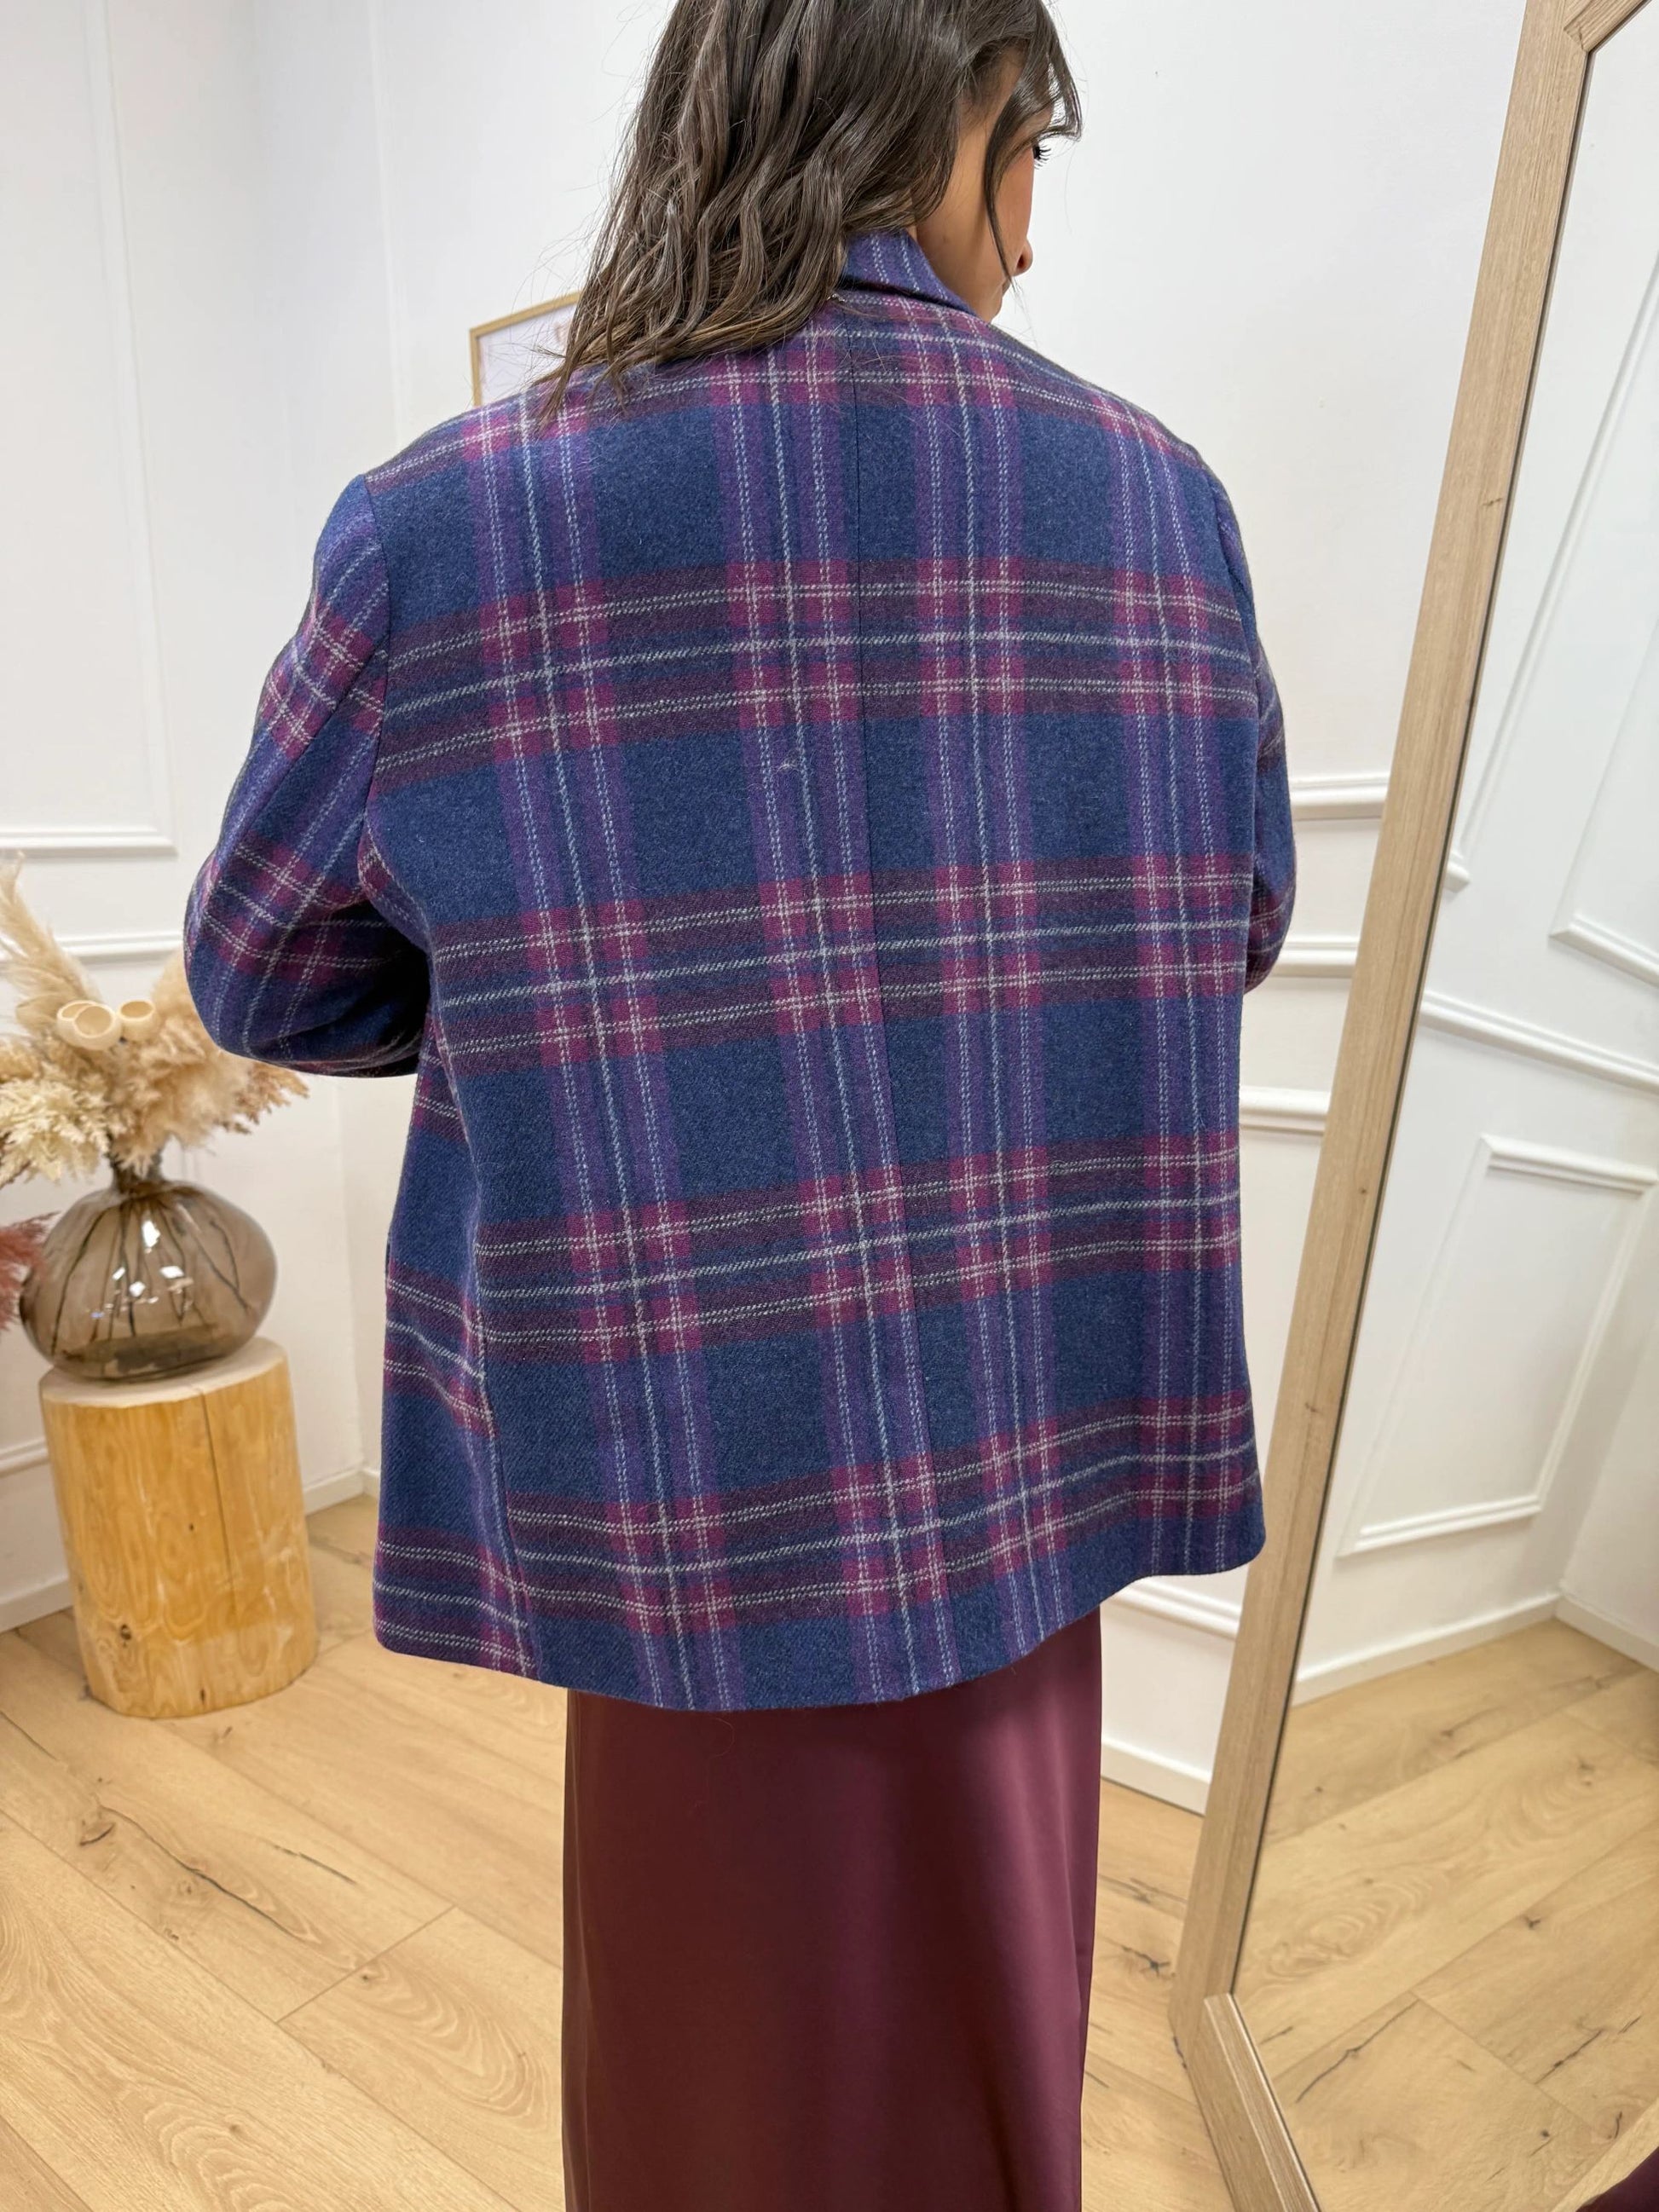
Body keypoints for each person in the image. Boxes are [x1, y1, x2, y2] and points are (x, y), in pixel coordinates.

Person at [182, 1, 1296, 2203]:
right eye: (1033, 158)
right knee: (1000, 1993)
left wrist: (576, 1007)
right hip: (1029, 1414)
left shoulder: (447, 522)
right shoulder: (1163, 507)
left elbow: (262, 961)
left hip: (678, 1444)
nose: (1032, 238)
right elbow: (1234, 914)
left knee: (707, 2059)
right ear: (956, 121)